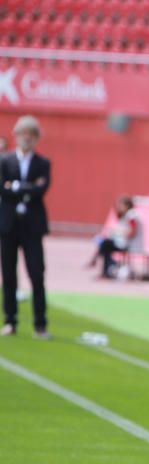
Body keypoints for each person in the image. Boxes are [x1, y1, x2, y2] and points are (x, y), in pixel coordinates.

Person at [1, 116, 51, 339]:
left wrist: (17, 186)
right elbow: (4, 190)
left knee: (37, 274)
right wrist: (26, 188)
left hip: (32, 227)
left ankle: (40, 324)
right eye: (23, 133)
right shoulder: (5, 161)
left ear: (37, 138)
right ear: (16, 136)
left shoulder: (43, 163)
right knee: (9, 276)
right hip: (9, 226)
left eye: (31, 133)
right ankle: (10, 320)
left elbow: (41, 189)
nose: (27, 137)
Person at [93, 195, 143, 279]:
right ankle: (109, 266)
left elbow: (132, 232)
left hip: (130, 244)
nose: (119, 207)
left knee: (106, 244)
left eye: (120, 205)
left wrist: (118, 233)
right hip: (124, 242)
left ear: (127, 205)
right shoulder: (126, 215)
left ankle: (108, 266)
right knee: (105, 245)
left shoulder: (132, 215)